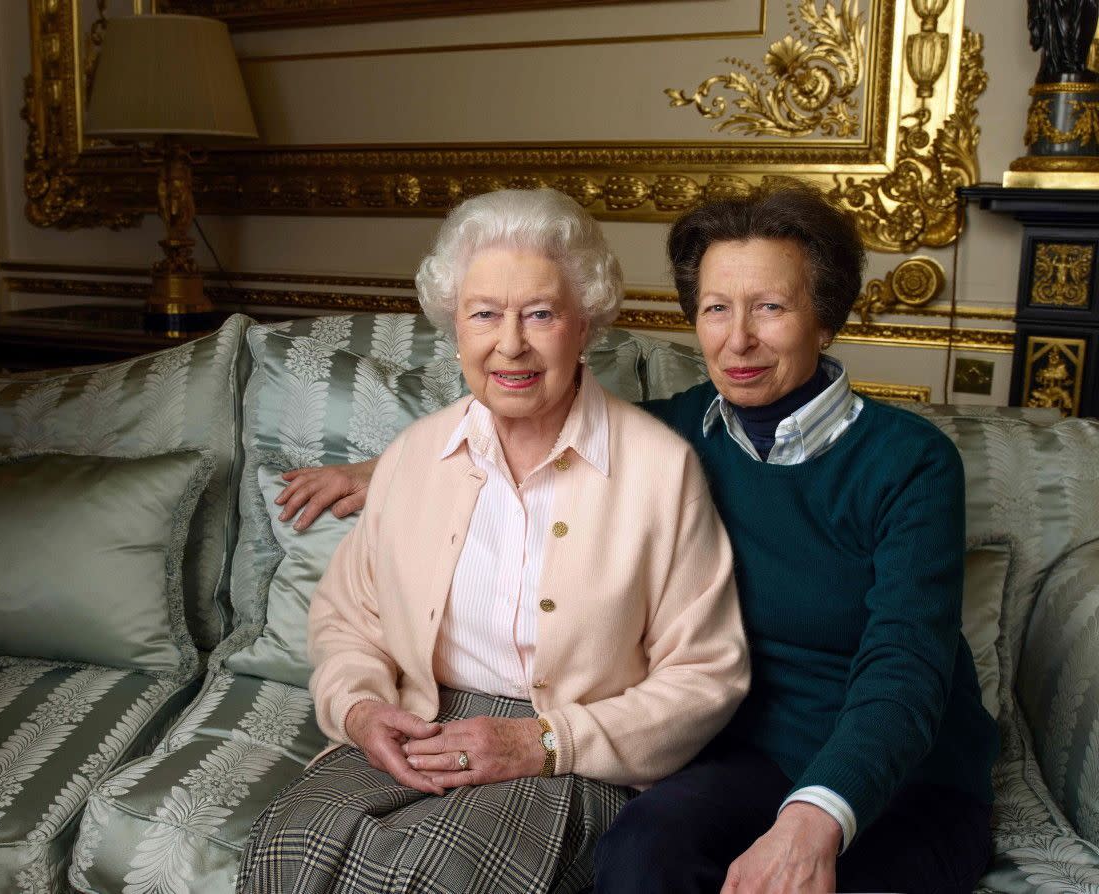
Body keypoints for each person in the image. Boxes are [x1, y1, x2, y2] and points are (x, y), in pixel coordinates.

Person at [272, 186, 1000, 893]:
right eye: (716, 308)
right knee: (640, 859)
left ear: (828, 317)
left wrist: (815, 818)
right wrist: (391, 468)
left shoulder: (909, 462)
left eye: (770, 307)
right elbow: (538, 416)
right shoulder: (680, 428)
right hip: (744, 758)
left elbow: (904, 670)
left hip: (896, 774)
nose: (738, 337)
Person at [238, 188, 750, 894]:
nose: (510, 344)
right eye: (484, 314)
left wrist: (545, 741)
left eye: (540, 314)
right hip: (422, 715)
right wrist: (359, 709)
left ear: (585, 326)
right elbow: (347, 620)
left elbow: (706, 675)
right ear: (456, 328)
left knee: (441, 878)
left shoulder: (660, 471)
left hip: (572, 749)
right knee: (288, 850)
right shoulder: (416, 455)